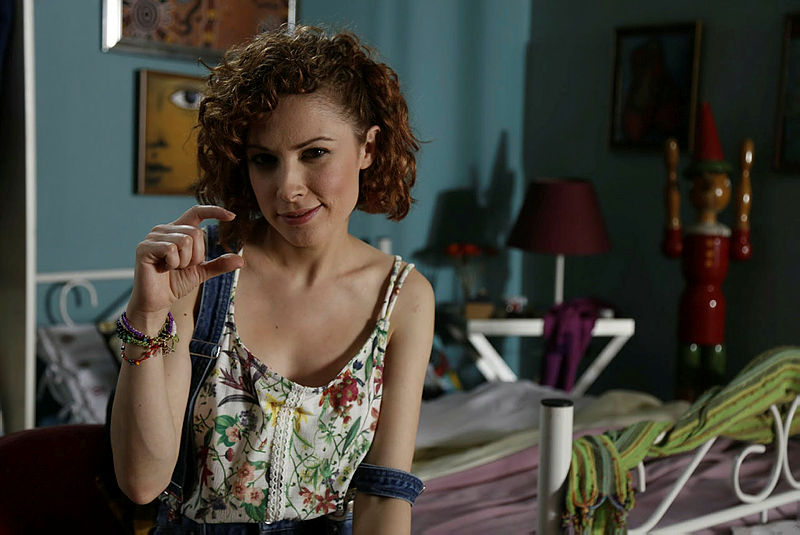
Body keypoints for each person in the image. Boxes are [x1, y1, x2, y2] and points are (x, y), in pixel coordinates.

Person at [109, 24, 435, 534]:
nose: (287, 188)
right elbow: (142, 483)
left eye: (314, 153)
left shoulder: (403, 298)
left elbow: (384, 495)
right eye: (265, 160)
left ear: (368, 148)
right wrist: (147, 316)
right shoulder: (199, 274)